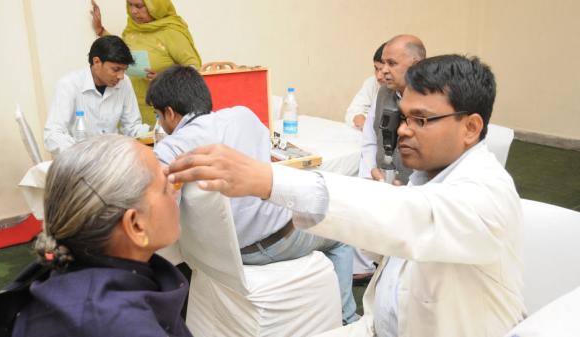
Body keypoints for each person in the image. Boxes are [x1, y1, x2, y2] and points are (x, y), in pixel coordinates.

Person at [165, 55, 526, 337]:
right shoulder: (426, 180)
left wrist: (268, 179)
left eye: (421, 120)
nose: (402, 130)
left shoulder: (487, 193)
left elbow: (412, 218)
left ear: (471, 127)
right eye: (403, 118)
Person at [146, 65, 358, 324]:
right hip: (277, 241)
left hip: (223, 255)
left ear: (170, 112)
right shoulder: (244, 116)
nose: (161, 124)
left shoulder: (175, 144)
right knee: (342, 235)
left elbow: (151, 181)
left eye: (158, 116)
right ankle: (348, 318)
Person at [8, 135, 192, 336]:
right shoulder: (123, 327)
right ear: (136, 225)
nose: (175, 193)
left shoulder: (63, 270)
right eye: (166, 189)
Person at [91, 0, 202, 126]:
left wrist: (165, 78)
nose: (133, 11)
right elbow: (122, 51)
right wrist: (101, 31)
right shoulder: (132, 28)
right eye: (130, 5)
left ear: (155, 6)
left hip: (163, 112)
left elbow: (194, 69)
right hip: (131, 109)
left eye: (139, 6)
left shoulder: (171, 32)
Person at [43, 36, 148, 155]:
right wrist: (81, 153)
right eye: (116, 69)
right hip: (79, 161)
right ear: (96, 62)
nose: (121, 76)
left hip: (112, 158)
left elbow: (132, 128)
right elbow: (52, 134)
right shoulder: (69, 85)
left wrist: (154, 133)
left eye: (124, 70)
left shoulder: (125, 83)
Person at [360, 34, 425, 182]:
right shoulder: (382, 93)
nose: (383, 70)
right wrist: (370, 173)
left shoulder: (432, 101)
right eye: (383, 63)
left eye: (392, 63)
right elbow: (369, 139)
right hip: (380, 184)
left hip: (414, 192)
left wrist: (409, 189)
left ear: (415, 65)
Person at [344, 42, 386, 129]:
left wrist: (368, 123)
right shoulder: (372, 83)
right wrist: (360, 119)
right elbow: (351, 113)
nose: (378, 76)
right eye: (376, 69)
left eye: (383, 70)